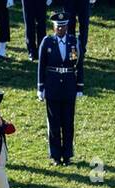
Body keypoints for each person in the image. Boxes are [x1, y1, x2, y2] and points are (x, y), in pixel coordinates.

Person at [37, 12, 81, 166]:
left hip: (68, 86)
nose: (60, 29)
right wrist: (40, 87)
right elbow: (41, 66)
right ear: (53, 27)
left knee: (68, 122)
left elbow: (79, 65)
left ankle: (67, 154)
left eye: (63, 26)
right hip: (52, 86)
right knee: (54, 123)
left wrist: (79, 86)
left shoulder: (74, 42)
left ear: (67, 27)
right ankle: (55, 155)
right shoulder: (47, 42)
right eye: (58, 27)